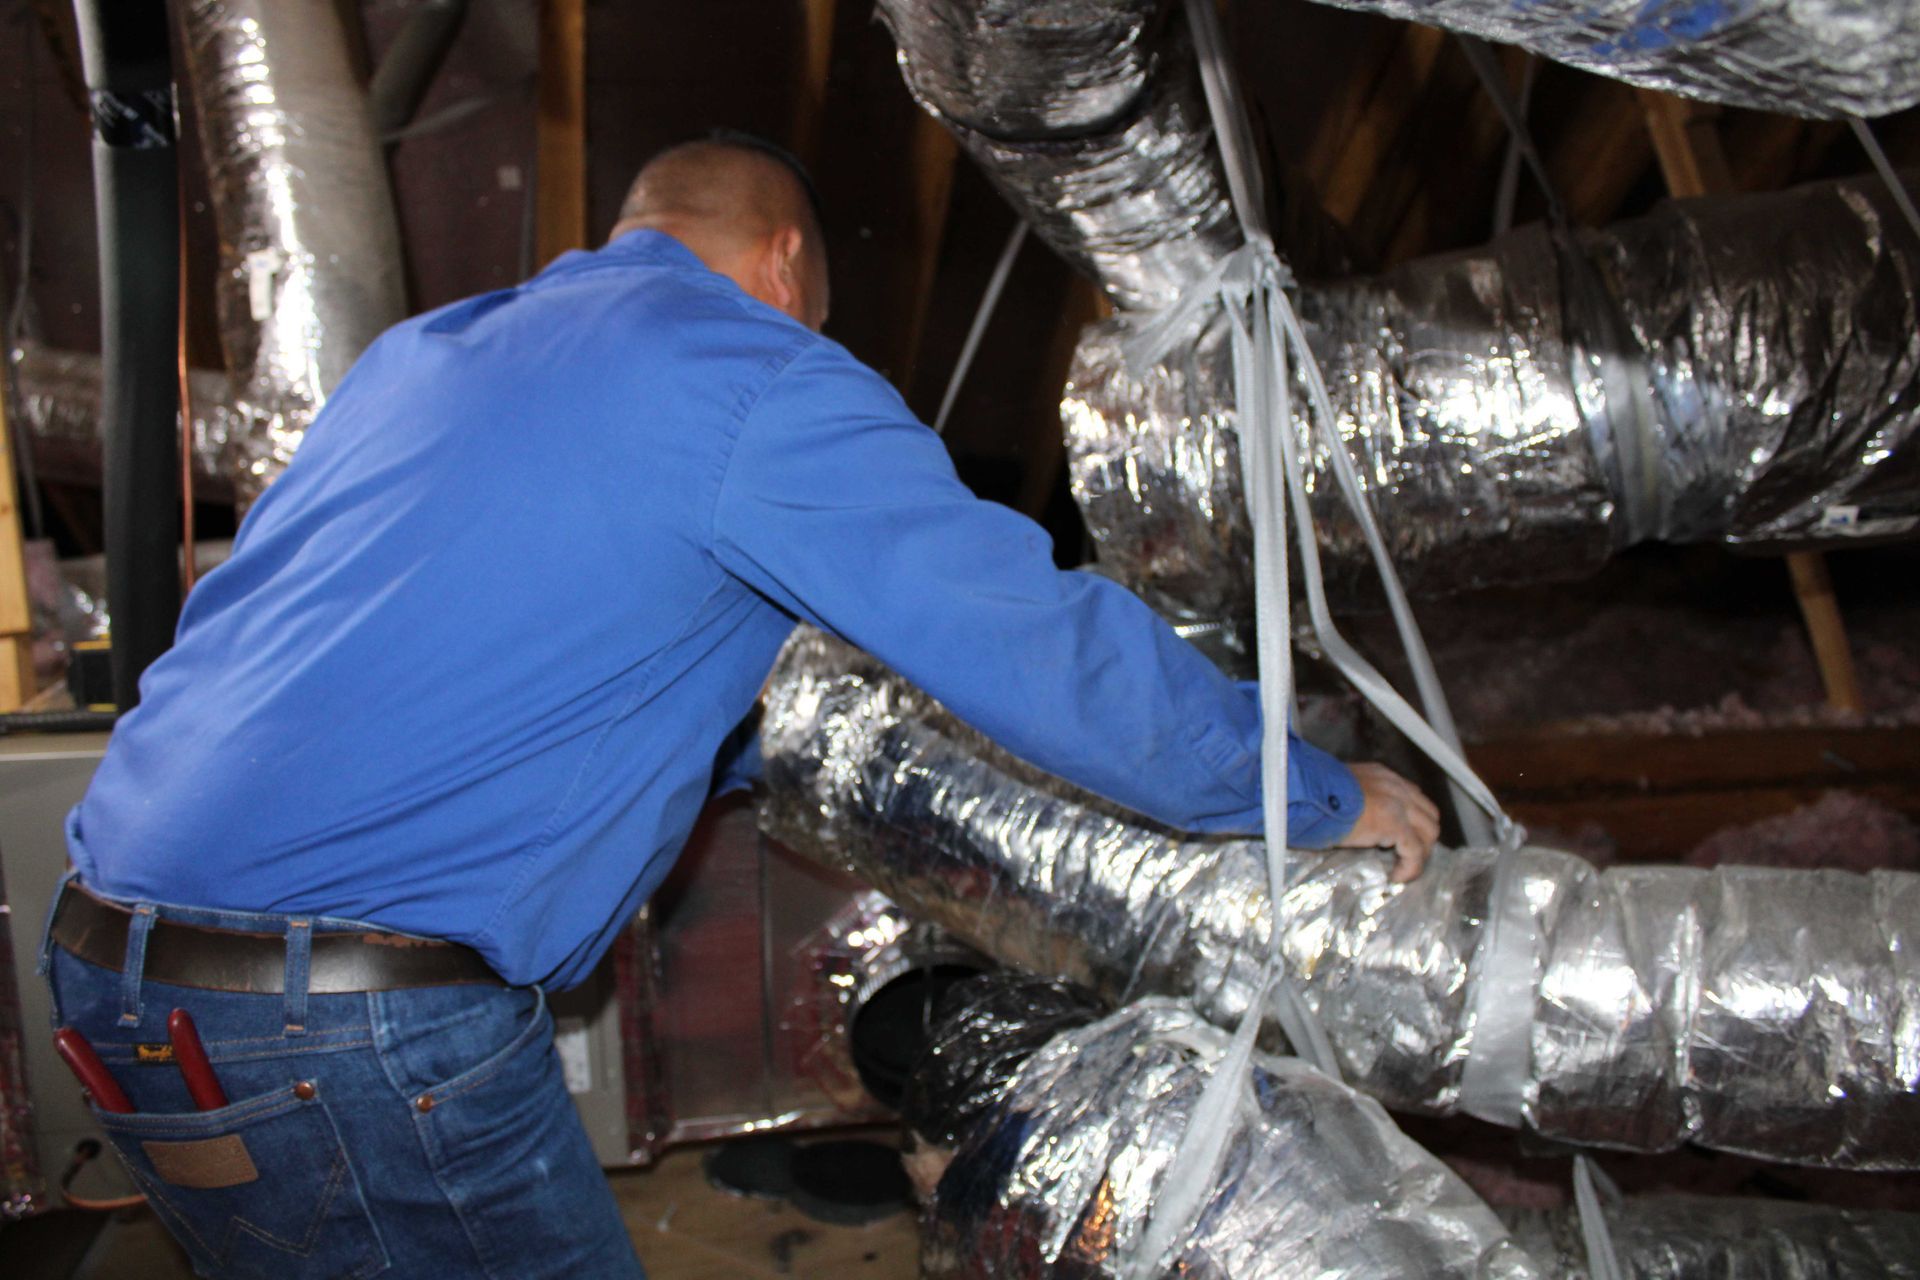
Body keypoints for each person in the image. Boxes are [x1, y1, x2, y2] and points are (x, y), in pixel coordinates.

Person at [40, 133, 1440, 1278]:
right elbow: (1035, 637)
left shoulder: (432, 355)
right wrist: (1300, 792)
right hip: (340, 1034)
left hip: (113, 981)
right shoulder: (755, 372)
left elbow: (485, 664)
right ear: (785, 266)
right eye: (822, 315)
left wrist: (737, 759)